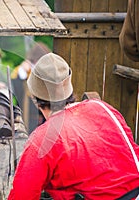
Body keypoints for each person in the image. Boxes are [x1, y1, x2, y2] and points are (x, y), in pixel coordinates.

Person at [8, 53, 139, 199]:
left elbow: (21, 196)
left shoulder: (41, 140)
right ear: (69, 88)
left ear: (34, 98)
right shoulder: (104, 108)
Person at [11, 42, 50, 132]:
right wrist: (22, 75)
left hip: (43, 119)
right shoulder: (21, 72)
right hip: (26, 118)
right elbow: (17, 93)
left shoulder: (46, 74)